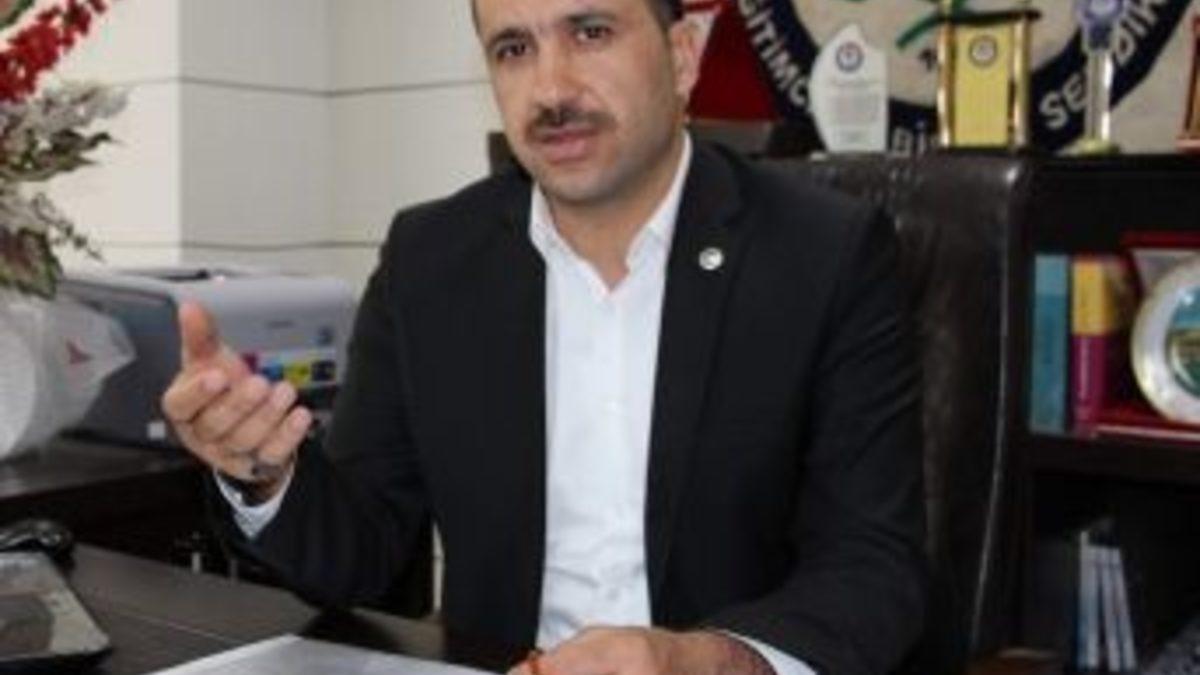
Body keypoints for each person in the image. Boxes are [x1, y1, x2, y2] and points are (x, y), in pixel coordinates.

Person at [160, 0, 926, 672]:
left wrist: (708, 660)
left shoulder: (824, 254)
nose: (551, 89)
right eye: (513, 48)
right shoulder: (430, 260)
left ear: (683, 55)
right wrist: (267, 475)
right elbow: (362, 552)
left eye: (590, 32)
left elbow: (873, 566)